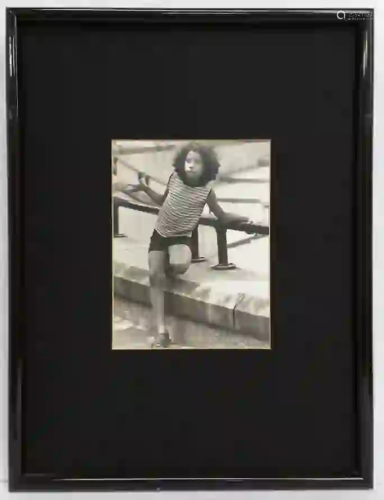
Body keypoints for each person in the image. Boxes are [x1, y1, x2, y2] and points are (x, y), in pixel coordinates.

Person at [133, 142, 251, 348]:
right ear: (182, 162)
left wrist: (243, 220)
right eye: (188, 160)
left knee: (179, 265)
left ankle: (169, 265)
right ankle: (162, 332)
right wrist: (145, 188)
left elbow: (221, 216)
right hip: (160, 234)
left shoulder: (206, 191)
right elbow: (162, 201)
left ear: (206, 167)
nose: (191, 165)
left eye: (197, 162)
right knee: (154, 275)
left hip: (181, 238)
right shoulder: (174, 178)